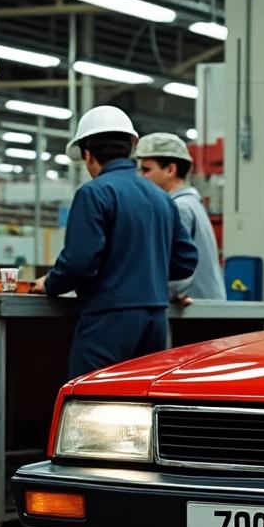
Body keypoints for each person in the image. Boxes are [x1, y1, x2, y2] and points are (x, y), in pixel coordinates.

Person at [33, 106, 197, 378]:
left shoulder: (94, 193)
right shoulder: (161, 197)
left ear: (87, 154)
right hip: (155, 319)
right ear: (129, 146)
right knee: (140, 400)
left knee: (92, 400)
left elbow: (79, 262)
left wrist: (50, 283)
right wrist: (146, 272)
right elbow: (186, 261)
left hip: (108, 319)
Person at [132, 133, 225, 304]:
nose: (141, 177)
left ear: (170, 170)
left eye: (146, 170)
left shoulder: (179, 207)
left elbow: (178, 272)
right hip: (206, 307)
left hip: (194, 311)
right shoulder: (191, 203)